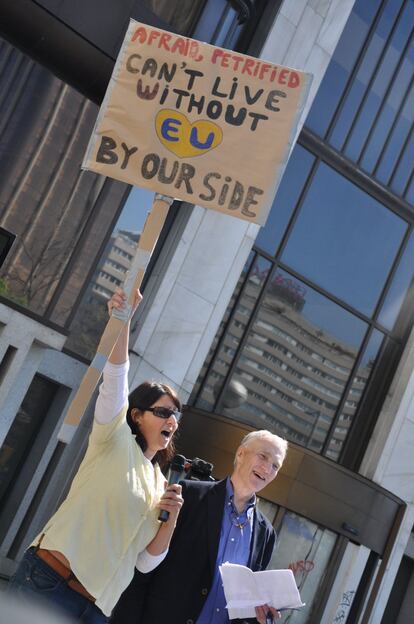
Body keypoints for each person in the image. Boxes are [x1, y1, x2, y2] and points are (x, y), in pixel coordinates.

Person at [9, 287, 184, 624]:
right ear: (137, 415)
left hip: (96, 612)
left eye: (176, 416)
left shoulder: (162, 485)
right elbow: (116, 374)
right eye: (163, 412)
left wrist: (172, 517)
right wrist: (122, 320)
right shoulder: (114, 437)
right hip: (48, 584)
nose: (172, 421)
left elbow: (146, 563)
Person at [112, 429, 288, 624]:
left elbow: (246, 608)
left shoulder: (266, 533)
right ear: (241, 453)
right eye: (263, 456)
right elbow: (145, 569)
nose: (267, 469)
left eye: (275, 466)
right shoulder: (190, 496)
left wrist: (261, 617)